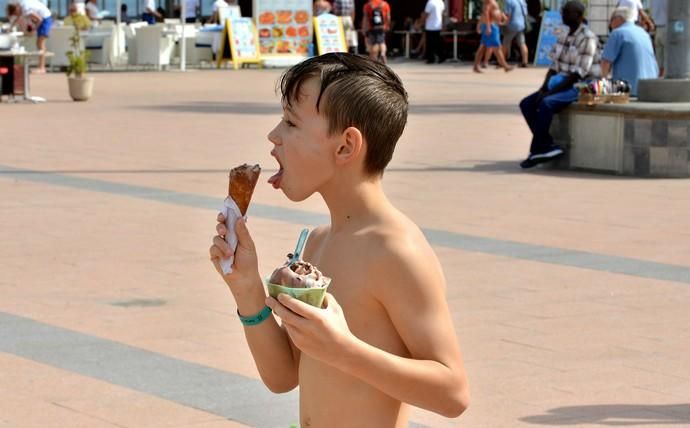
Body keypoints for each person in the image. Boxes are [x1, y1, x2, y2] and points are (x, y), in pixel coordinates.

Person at [209, 53, 470, 427]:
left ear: (346, 146)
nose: (273, 137)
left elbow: (453, 392)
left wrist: (342, 349)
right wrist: (246, 287)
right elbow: (284, 377)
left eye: (290, 123)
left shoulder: (395, 249)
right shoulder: (317, 243)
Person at [518, 0, 601, 169]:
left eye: (566, 12)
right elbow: (554, 67)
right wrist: (543, 89)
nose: (562, 14)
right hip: (563, 82)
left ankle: (536, 150)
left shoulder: (588, 38)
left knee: (547, 103)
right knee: (527, 103)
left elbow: (578, 74)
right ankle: (546, 145)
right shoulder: (564, 35)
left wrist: (550, 93)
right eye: (563, 10)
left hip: (584, 85)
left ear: (578, 16)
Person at [601, 7, 658, 96]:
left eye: (611, 20)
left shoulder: (617, 33)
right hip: (651, 86)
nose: (610, 25)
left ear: (618, 18)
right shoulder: (644, 33)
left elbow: (605, 63)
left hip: (628, 89)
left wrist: (604, 87)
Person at [6, 0, 52, 74]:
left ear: (16, 9)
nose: (16, 15)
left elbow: (39, 19)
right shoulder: (21, 6)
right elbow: (18, 18)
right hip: (43, 18)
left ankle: (42, 68)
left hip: (45, 18)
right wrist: (10, 27)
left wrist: (34, 29)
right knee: (39, 43)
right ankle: (41, 67)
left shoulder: (26, 9)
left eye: (15, 13)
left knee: (40, 43)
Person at [473, 0, 513, 73]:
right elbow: (486, 13)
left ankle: (476, 66)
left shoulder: (493, 1)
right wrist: (488, 27)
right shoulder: (488, 1)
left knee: (483, 47)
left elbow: (493, 11)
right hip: (491, 26)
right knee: (497, 47)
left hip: (493, 25)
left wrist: (503, 17)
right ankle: (505, 66)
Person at [502, 0, 529, 67]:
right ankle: (525, 61)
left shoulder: (509, 1)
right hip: (521, 25)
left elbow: (508, 15)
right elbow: (525, 14)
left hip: (512, 25)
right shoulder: (522, 1)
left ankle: (501, 61)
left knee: (505, 43)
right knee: (522, 43)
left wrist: (503, 22)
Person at [650, 0, 667, 77]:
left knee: (659, 58)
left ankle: (659, 77)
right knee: (668, 56)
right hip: (667, 27)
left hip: (657, 28)